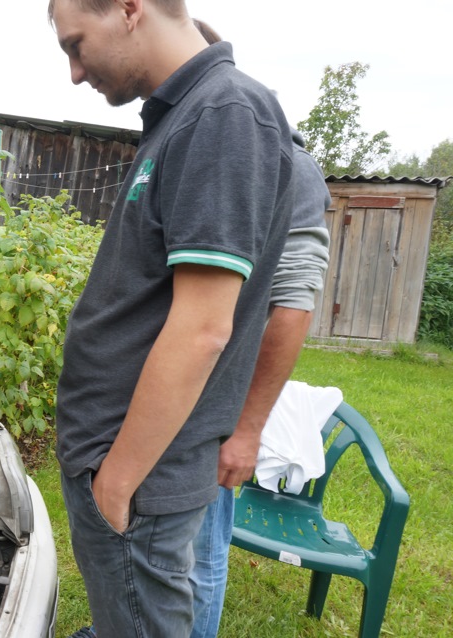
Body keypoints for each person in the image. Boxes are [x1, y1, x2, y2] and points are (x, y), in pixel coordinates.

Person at [49, 1, 295, 637]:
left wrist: (117, 484)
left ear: (129, 8)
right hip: (119, 466)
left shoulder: (224, 113)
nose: (75, 71)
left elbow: (202, 330)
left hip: (136, 479)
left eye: (76, 44)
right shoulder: (185, 114)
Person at [187, 19, 332, 638]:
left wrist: (246, 431)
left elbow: (293, 305)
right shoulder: (196, 145)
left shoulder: (286, 164)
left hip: (215, 405)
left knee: (200, 548)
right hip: (174, 395)